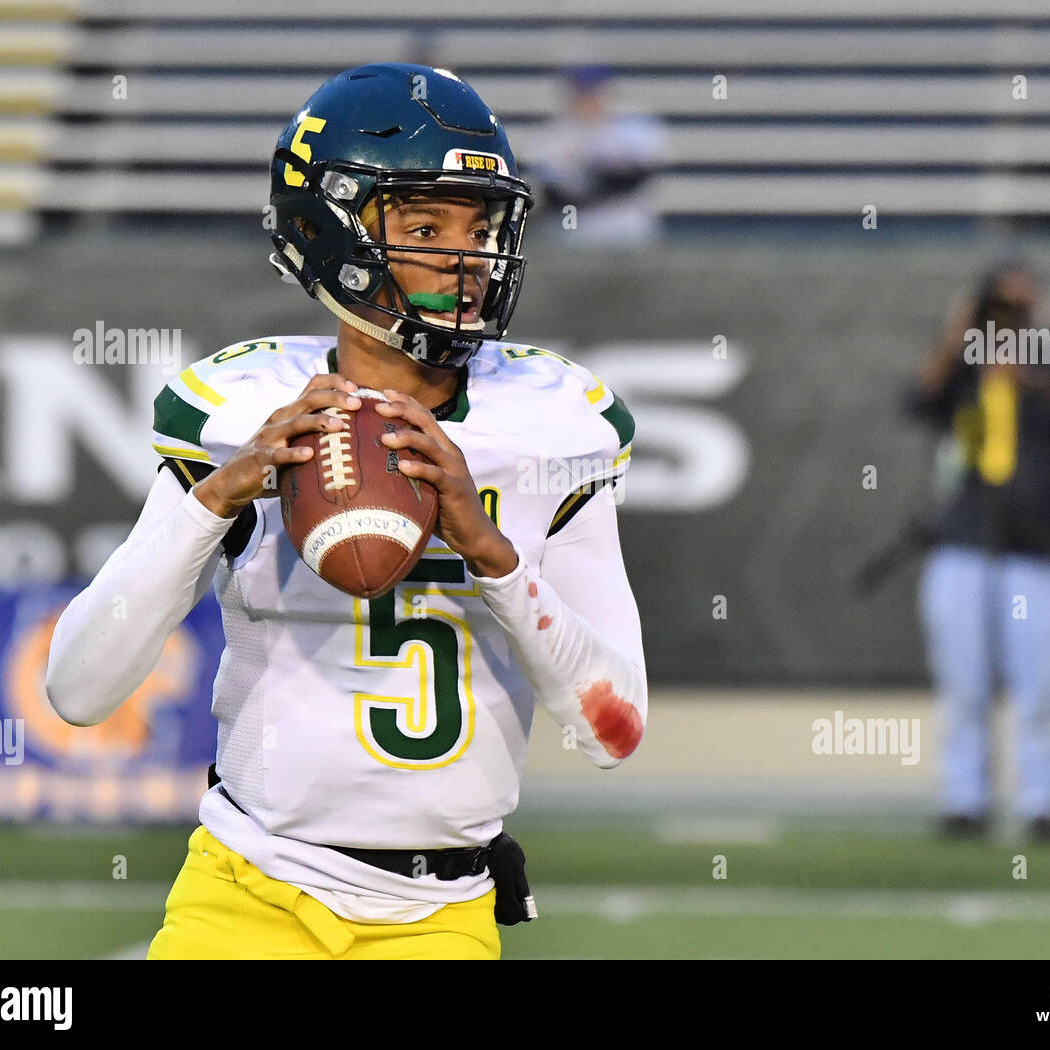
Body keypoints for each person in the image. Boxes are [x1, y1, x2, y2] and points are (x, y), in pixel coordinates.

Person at [45, 63, 647, 959]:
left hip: (439, 913)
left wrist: (493, 555)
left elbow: (615, 732)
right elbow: (78, 691)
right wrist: (213, 499)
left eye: (479, 226)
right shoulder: (242, 412)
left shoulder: (554, 423)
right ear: (331, 233)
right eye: (425, 225)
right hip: (246, 887)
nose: (468, 257)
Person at [906, 263, 1050, 845]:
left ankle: (1042, 803)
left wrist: (1020, 367)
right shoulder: (963, 366)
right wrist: (958, 337)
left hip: (1037, 547)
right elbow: (918, 401)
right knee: (963, 682)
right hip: (966, 541)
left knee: (1039, 686)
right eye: (999, 307)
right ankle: (964, 799)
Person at [524, 64, 666, 247]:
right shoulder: (553, 134)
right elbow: (550, 192)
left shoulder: (634, 127)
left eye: (594, 91)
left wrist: (587, 180)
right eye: (583, 91)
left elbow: (635, 177)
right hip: (576, 236)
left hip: (629, 233)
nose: (589, 98)